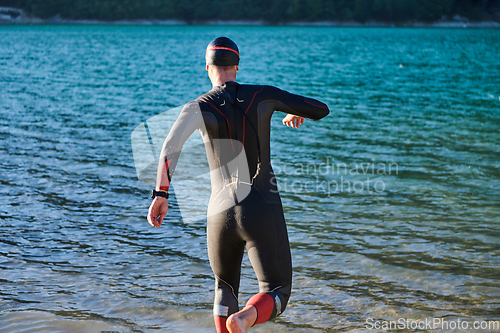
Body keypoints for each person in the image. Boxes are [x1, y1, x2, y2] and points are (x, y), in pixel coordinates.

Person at [147, 37, 329, 333]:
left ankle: (231, 322)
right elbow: (320, 108)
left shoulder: (197, 107)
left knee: (224, 288)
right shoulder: (263, 95)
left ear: (208, 68)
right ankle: (244, 319)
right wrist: (295, 111)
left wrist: (160, 194)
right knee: (277, 289)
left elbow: (169, 147)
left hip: (219, 212)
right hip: (259, 206)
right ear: (237, 67)